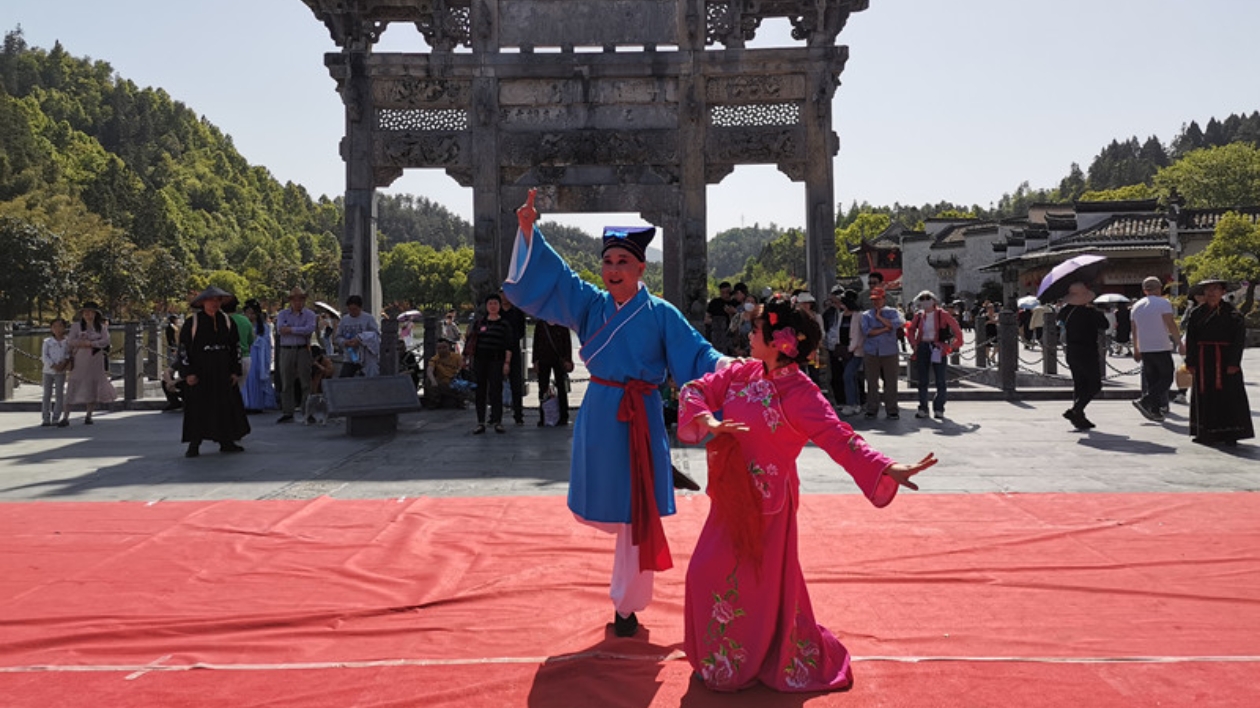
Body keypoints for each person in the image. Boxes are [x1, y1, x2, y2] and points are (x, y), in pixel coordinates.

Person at [676, 295, 936, 693]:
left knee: (753, 584)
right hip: (730, 495)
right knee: (705, 573)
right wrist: (708, 420)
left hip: (768, 503)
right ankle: (724, 659)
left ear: (779, 342)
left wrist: (885, 467)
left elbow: (839, 437)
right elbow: (695, 388)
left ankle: (744, 662)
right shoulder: (743, 373)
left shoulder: (801, 393)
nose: (749, 336)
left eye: (756, 330)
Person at [504, 189, 729, 639]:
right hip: (602, 413)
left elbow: (698, 354)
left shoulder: (662, 313)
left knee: (636, 512)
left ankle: (627, 605)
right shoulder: (590, 303)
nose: (613, 269)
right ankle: (628, 593)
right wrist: (529, 231)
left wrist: (731, 368)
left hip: (642, 412)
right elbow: (558, 278)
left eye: (623, 262)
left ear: (642, 268)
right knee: (614, 502)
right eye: (607, 262)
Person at [177, 287, 250, 457]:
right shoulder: (192, 323)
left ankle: (226, 441)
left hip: (223, 372)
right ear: (203, 302)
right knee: (198, 409)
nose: (215, 303)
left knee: (225, 406)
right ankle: (194, 444)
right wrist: (188, 372)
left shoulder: (227, 322)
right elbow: (183, 349)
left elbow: (236, 348)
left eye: (218, 300)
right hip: (200, 374)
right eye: (211, 300)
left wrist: (235, 371)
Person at [1184, 279, 1253, 447]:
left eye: (1215, 289)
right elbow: (1191, 339)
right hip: (1202, 359)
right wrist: (1190, 361)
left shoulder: (1233, 314)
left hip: (1225, 359)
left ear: (1223, 292)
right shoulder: (1196, 313)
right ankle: (1204, 432)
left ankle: (1230, 433)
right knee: (1204, 394)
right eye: (1208, 289)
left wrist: (1234, 363)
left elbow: (1238, 341)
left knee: (1229, 395)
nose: (1211, 293)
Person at [1129, 277, 1184, 422]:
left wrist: (1136, 348)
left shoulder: (1136, 306)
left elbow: (1134, 329)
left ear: (1144, 290)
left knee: (1152, 380)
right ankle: (1146, 400)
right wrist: (1179, 342)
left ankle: (1155, 410)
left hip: (1145, 347)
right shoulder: (1163, 303)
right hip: (1160, 345)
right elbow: (1170, 323)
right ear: (1159, 288)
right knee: (1166, 377)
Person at [1057, 282, 1109, 430]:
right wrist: (1095, 310)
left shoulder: (1065, 311)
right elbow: (1104, 325)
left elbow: (1059, 320)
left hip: (1071, 350)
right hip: (1087, 351)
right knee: (1095, 385)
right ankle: (1076, 410)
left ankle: (1079, 418)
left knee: (1079, 385)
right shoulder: (1090, 313)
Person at [908, 290, 963, 420]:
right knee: (922, 380)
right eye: (922, 299)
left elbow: (955, 327)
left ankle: (939, 408)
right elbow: (910, 329)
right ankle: (923, 408)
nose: (925, 301)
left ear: (934, 300)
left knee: (940, 379)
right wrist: (913, 343)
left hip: (938, 347)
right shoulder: (919, 315)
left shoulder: (942, 314)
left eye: (928, 298)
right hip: (923, 346)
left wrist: (957, 342)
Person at [466, 294, 514, 434]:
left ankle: (497, 421)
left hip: (496, 360)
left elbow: (509, 345)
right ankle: (480, 422)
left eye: (495, 303)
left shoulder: (504, 324)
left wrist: (507, 363)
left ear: (499, 306)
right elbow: (471, 341)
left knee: (496, 391)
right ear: (486, 306)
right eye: (490, 304)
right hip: (480, 361)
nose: (493, 306)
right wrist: (466, 358)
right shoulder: (479, 323)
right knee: (480, 391)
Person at [63, 302, 116, 425]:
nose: (88, 314)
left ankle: (89, 415)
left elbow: (106, 341)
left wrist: (92, 343)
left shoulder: (101, 327)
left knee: (92, 386)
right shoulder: (76, 326)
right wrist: (81, 343)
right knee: (73, 386)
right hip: (79, 359)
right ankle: (65, 416)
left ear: (96, 314)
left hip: (95, 359)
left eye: (91, 312)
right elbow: (70, 341)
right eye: (85, 312)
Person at [275, 287, 317, 423]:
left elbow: (309, 329)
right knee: (286, 381)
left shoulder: (310, 314)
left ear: (304, 300)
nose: (298, 303)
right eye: (295, 300)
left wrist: (291, 329)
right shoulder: (282, 314)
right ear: (291, 301)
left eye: (301, 300)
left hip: (303, 349)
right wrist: (299, 330)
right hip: (286, 349)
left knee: (306, 382)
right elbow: (280, 330)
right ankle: (288, 412)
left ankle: (307, 411)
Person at [860, 287, 901, 420]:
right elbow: (867, 332)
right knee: (872, 382)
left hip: (890, 351)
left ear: (884, 299)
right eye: (873, 300)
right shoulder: (866, 315)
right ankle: (872, 409)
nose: (876, 302)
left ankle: (892, 409)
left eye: (878, 299)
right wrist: (885, 329)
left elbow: (894, 325)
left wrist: (879, 318)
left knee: (891, 382)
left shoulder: (893, 312)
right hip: (872, 352)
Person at [532, 317, 573, 426]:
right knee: (542, 388)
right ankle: (543, 416)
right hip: (543, 360)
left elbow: (567, 342)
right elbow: (536, 343)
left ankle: (564, 416)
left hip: (559, 360)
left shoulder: (562, 323)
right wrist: (535, 360)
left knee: (562, 388)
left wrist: (568, 359)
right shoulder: (541, 324)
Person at [242, 299, 278, 413]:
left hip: (258, 355)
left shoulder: (263, 327)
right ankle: (246, 403)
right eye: (248, 313)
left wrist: (257, 340)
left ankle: (257, 403)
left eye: (252, 313)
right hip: (247, 353)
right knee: (246, 379)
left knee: (255, 378)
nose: (250, 316)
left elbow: (267, 342)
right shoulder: (243, 325)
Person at [334, 294, 381, 378]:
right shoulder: (344, 320)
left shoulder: (369, 319)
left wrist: (361, 340)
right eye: (350, 309)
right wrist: (345, 342)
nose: (352, 312)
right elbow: (337, 337)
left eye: (355, 309)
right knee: (344, 379)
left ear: (360, 308)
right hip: (349, 356)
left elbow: (375, 335)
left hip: (365, 357)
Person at [499, 290, 527, 425]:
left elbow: (521, 331)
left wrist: (511, 340)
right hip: (498, 350)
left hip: (514, 349)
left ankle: (518, 414)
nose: (504, 297)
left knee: (516, 383)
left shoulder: (517, 312)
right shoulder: (497, 312)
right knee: (495, 383)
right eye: (502, 294)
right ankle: (495, 414)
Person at [40, 318, 71, 427]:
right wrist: (53, 365)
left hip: (61, 371)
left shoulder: (67, 342)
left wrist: (63, 364)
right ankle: (46, 417)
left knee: (59, 394)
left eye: (60, 326)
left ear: (64, 328)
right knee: (47, 394)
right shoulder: (47, 342)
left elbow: (68, 354)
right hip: (48, 371)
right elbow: (44, 356)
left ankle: (56, 417)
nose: (57, 329)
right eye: (55, 327)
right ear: (51, 329)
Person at [223, 297, 255, 394]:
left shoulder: (221, 320)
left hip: (227, 359)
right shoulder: (245, 320)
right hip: (245, 358)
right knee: (240, 390)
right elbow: (251, 340)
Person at [423, 339, 465, 409]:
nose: (442, 350)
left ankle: (461, 401)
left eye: (444, 347)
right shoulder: (434, 359)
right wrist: (433, 381)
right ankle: (434, 403)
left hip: (455, 380)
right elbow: (429, 370)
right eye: (439, 348)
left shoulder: (457, 357)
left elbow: (462, 368)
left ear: (449, 347)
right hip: (442, 382)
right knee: (428, 381)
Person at [704, 281, 734, 354]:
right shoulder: (715, 303)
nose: (725, 295)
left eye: (727, 292)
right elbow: (706, 318)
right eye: (723, 293)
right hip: (716, 335)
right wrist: (717, 323)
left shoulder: (735, 303)